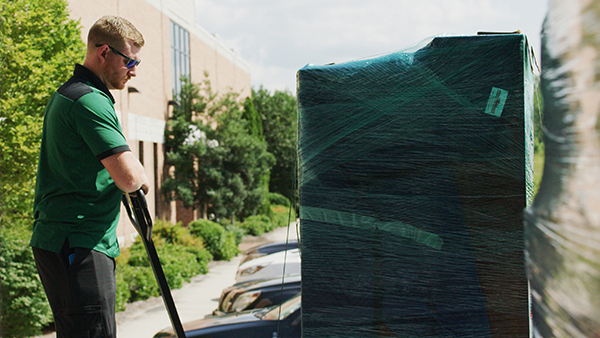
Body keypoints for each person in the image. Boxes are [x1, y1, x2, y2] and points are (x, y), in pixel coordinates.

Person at [30, 15, 149, 338]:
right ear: (103, 52)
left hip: (73, 240)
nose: (134, 70)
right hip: (77, 241)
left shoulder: (73, 94)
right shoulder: (88, 100)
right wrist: (138, 175)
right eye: (130, 60)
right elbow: (128, 178)